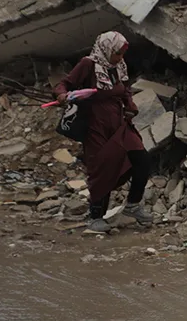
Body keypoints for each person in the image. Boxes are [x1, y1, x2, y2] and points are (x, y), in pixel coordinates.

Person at [55, 31, 153, 233]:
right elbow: (64, 84)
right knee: (103, 167)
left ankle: (133, 205)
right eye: (117, 53)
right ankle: (96, 216)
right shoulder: (88, 64)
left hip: (119, 123)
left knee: (141, 159)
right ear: (106, 49)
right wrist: (62, 95)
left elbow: (124, 90)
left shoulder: (118, 66)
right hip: (96, 125)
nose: (120, 58)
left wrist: (130, 105)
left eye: (122, 54)